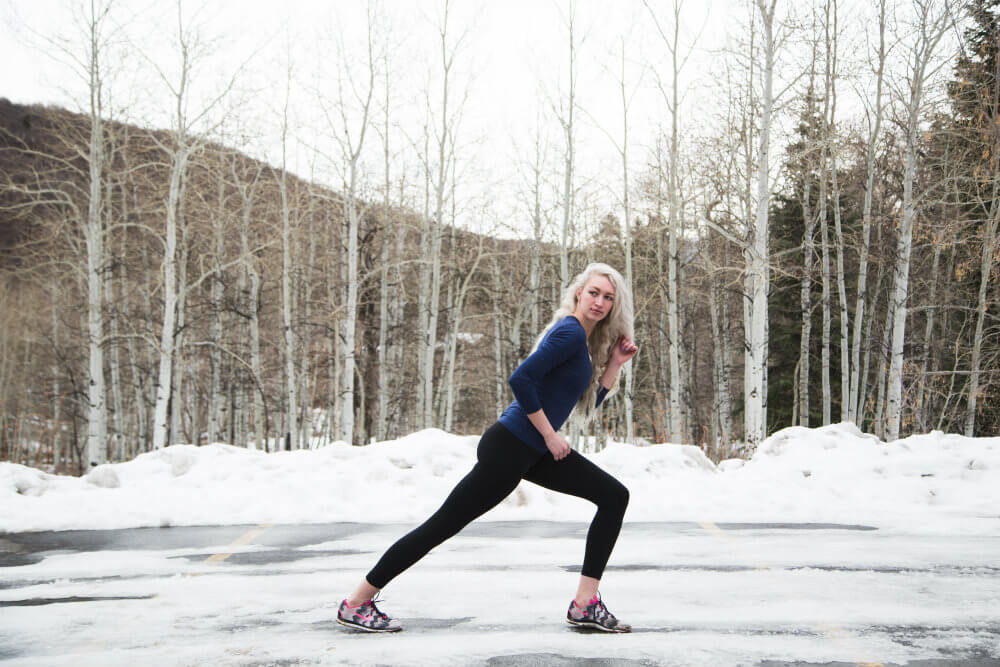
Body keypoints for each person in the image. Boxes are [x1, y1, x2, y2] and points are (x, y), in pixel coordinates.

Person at [336, 262, 638, 634]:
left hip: (531, 450)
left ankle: (585, 604)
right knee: (441, 525)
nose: (599, 301)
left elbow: (586, 405)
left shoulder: (582, 341)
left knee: (613, 496)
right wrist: (548, 435)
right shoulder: (569, 334)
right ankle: (356, 603)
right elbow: (521, 379)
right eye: (593, 293)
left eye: (607, 297)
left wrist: (616, 364)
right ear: (579, 293)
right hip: (511, 447)